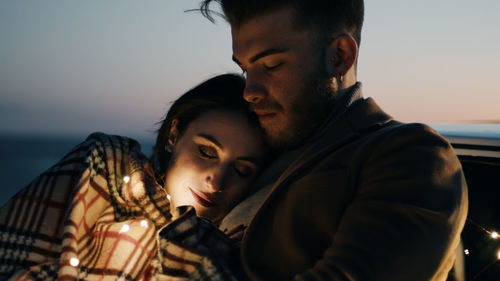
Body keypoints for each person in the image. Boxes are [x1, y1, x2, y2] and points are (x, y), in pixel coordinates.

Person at [198, 1, 469, 281]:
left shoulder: (412, 155)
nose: (249, 92)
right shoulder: (258, 147)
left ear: (340, 56)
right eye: (245, 69)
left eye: (271, 65)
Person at [0, 74, 268, 280]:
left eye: (242, 170)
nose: (218, 181)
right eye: (207, 152)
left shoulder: (232, 252)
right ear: (174, 135)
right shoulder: (106, 167)